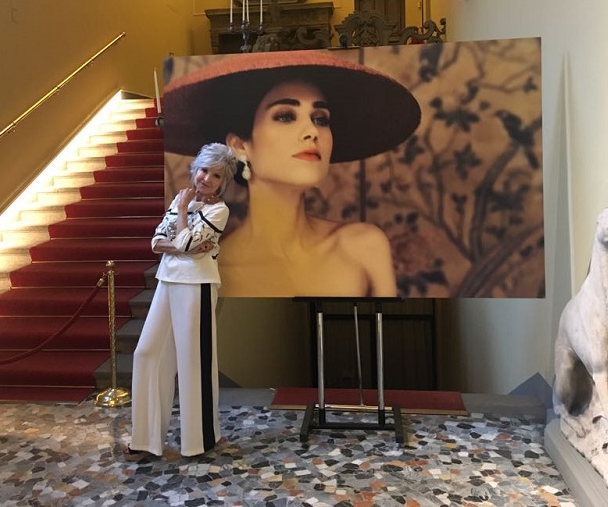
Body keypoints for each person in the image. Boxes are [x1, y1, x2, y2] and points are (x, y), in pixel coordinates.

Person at [161, 50, 421, 298]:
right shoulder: (215, 268)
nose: (312, 132)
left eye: (320, 119)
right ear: (240, 146)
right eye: (286, 116)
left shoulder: (363, 245)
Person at [126, 143, 237, 459]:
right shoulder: (180, 199)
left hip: (197, 285)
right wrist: (183, 244)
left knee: (193, 362)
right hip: (168, 279)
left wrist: (184, 220)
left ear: (223, 182)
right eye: (204, 170)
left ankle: (200, 440)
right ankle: (145, 440)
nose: (207, 179)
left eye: (216, 175)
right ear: (195, 169)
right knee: (147, 352)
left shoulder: (219, 210)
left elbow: (184, 241)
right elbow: (157, 242)